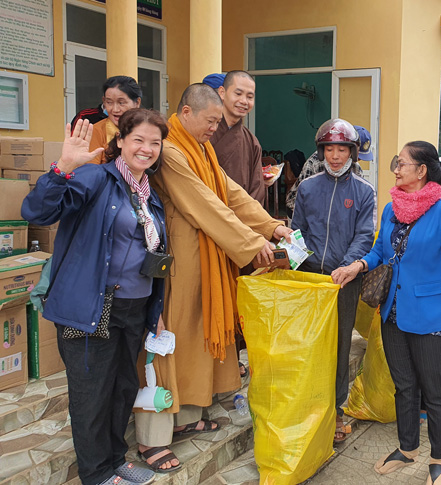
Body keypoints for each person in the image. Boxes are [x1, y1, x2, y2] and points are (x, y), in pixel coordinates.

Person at [134, 84, 292, 472]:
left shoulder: (202, 148)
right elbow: (203, 204)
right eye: (211, 121)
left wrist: (272, 226)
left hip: (208, 258)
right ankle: (151, 439)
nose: (214, 129)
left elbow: (231, 194)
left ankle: (187, 418)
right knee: (169, 343)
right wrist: (250, 241)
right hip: (179, 262)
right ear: (186, 113)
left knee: (199, 337)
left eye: (218, 122)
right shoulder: (170, 151)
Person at [332, 141, 441, 485]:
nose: (396, 168)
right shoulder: (391, 209)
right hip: (394, 313)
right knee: (404, 386)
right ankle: (407, 447)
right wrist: (357, 266)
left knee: (436, 392)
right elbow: (381, 251)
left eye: (402, 163)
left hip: (435, 317)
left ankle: (439, 460)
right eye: (396, 162)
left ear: (422, 170)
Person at [22, 109, 170, 485]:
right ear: (120, 140)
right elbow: (37, 210)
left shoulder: (149, 194)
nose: (147, 149)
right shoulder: (95, 179)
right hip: (92, 306)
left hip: (133, 308)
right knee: (92, 393)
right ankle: (96, 473)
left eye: (155, 142)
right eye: (138, 139)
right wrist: (61, 168)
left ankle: (115, 459)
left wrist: (156, 312)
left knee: (122, 388)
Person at [291, 118, 376, 443]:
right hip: (311, 281)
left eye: (342, 149)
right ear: (322, 151)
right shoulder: (309, 188)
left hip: (344, 283)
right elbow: (297, 230)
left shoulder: (364, 191)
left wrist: (345, 268)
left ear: (353, 152)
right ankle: (308, 406)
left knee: (340, 348)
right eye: (330, 148)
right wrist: (293, 266)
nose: (336, 155)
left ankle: (336, 411)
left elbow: (365, 235)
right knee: (309, 344)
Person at [285, 126, 371, 217]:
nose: (357, 160)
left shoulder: (356, 169)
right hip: (299, 211)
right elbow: (306, 201)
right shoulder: (317, 162)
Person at [209, 71, 266, 206]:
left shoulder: (252, 142)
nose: (244, 101)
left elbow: (257, 190)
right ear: (222, 92)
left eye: (250, 96)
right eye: (238, 94)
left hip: (240, 220)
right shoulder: (203, 131)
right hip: (205, 213)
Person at [88, 76, 143, 164]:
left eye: (121, 103)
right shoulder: (96, 131)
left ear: (137, 103)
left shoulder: (147, 128)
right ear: (104, 101)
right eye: (109, 102)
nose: (115, 110)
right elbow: (91, 171)